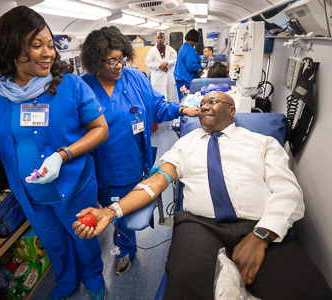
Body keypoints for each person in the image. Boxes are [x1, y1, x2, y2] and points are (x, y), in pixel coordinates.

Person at [73, 91, 332, 300]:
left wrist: (261, 235)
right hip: (200, 226)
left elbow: (288, 192)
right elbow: (155, 182)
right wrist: (110, 211)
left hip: (261, 224)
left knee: (308, 289)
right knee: (186, 285)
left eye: (214, 101)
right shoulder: (185, 144)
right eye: (202, 102)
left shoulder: (262, 143)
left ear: (232, 110)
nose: (205, 106)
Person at [0, 6, 109, 300]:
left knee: (84, 239)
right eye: (36, 45)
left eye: (50, 44)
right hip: (29, 194)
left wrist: (62, 155)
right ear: (11, 49)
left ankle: (92, 274)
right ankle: (67, 280)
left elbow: (100, 129)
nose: (48, 53)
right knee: (52, 241)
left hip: (74, 185)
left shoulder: (70, 86)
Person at [80, 26, 200, 275]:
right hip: (97, 168)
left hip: (132, 164)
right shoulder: (83, 87)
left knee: (124, 217)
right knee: (103, 210)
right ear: (94, 61)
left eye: (121, 58)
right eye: (110, 61)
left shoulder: (134, 78)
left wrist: (180, 109)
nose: (118, 65)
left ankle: (126, 251)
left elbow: (157, 107)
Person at [145, 31, 178, 103]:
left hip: (168, 76)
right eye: (158, 38)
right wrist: (160, 66)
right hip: (157, 78)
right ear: (156, 39)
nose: (160, 39)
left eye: (161, 37)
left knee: (169, 98)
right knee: (158, 99)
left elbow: (175, 59)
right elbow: (148, 63)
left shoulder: (170, 49)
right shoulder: (152, 51)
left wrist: (167, 63)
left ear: (164, 38)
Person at [174, 29, 202, 100]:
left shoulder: (184, 46)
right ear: (195, 39)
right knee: (187, 100)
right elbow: (192, 66)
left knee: (183, 99)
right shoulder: (189, 49)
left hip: (181, 77)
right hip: (185, 79)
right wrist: (201, 67)